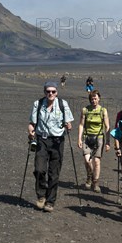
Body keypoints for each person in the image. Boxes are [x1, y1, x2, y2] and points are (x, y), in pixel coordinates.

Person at [28, 81, 74, 212]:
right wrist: (30, 131)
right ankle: (41, 195)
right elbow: (32, 123)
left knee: (54, 173)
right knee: (39, 169)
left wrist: (68, 126)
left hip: (57, 142)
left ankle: (50, 201)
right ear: (44, 92)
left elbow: (69, 123)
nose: (51, 93)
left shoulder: (62, 104)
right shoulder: (38, 104)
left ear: (57, 92)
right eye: (48, 91)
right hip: (42, 139)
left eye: (53, 91)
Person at [77, 89, 110, 193]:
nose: (93, 101)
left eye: (95, 98)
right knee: (87, 160)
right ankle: (89, 176)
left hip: (99, 137)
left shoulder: (103, 111)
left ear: (99, 99)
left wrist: (108, 142)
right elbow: (81, 124)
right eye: (92, 99)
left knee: (96, 161)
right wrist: (79, 138)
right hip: (87, 137)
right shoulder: (85, 110)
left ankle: (96, 182)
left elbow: (107, 126)